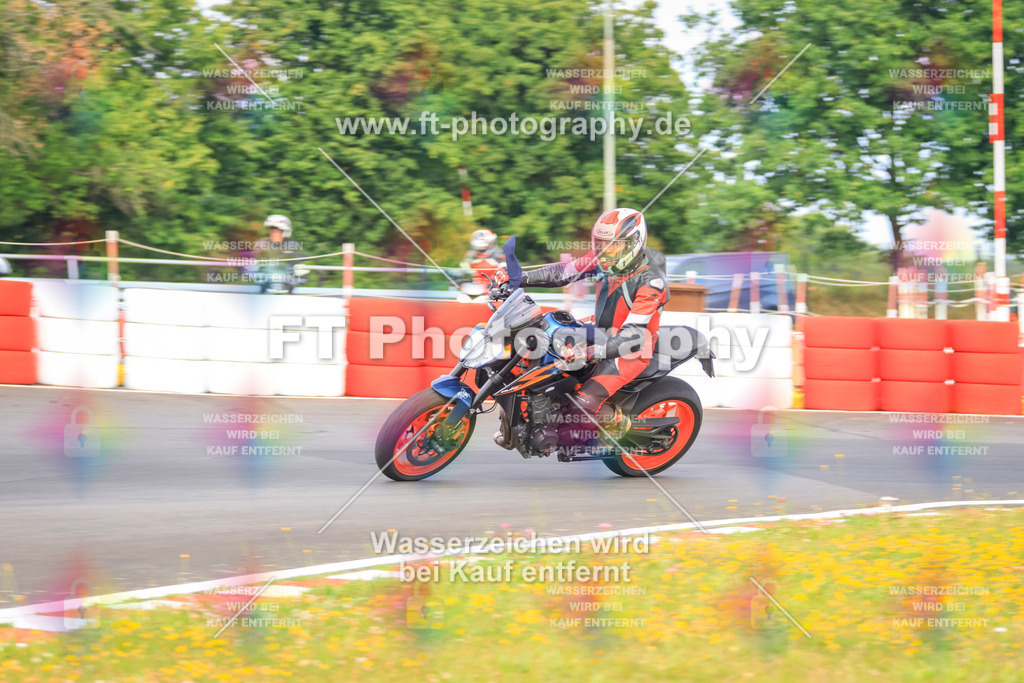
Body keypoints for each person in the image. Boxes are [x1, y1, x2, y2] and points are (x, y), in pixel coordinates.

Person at [491, 208, 669, 442]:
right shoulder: (606, 261)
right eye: (601, 244)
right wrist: (522, 279)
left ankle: (618, 424)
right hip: (600, 331)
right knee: (545, 339)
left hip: (631, 351)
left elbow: (632, 336)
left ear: (634, 243)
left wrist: (588, 353)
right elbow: (564, 272)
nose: (605, 252)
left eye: (613, 245)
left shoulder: (651, 283)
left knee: (581, 405)